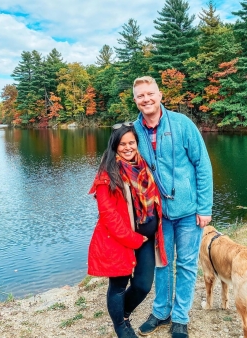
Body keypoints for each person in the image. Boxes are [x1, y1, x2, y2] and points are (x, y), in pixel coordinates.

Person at [132, 76, 213, 338]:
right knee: (162, 264)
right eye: (140, 96)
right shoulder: (133, 131)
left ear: (160, 95)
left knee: (187, 265)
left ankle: (180, 317)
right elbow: (122, 164)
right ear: (135, 100)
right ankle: (160, 312)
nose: (146, 99)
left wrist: (205, 207)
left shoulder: (182, 124)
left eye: (150, 93)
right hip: (157, 215)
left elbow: (202, 165)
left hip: (189, 211)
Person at [87, 123, 167, 338]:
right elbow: (108, 215)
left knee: (142, 285)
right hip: (121, 240)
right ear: (115, 146)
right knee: (119, 286)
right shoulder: (107, 175)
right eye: (122, 144)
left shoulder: (143, 167)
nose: (128, 147)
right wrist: (133, 239)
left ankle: (122, 314)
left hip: (146, 239)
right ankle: (121, 326)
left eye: (131, 142)